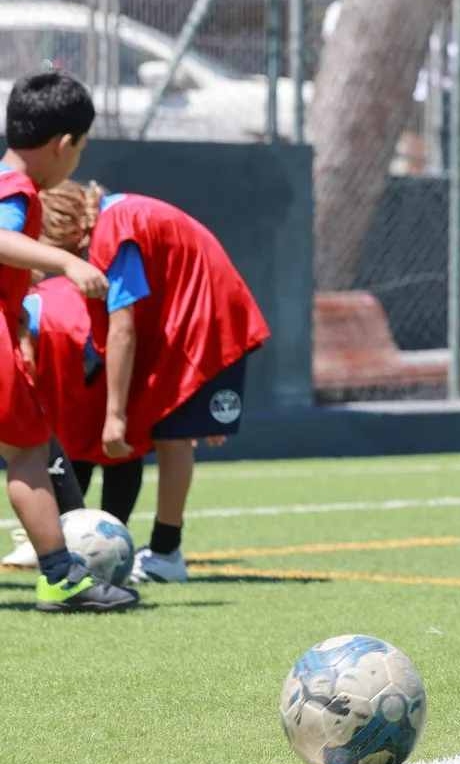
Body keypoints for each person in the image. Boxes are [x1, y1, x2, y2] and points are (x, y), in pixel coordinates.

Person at [38, 181, 270, 584]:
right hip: (190, 319)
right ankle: (161, 550)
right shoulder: (117, 217)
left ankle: (165, 552)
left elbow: (122, 329)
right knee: (172, 433)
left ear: (65, 231)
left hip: (202, 323)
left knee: (173, 437)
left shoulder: (113, 231)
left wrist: (114, 416)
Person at [0, 71, 137, 611]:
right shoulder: (15, 189)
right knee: (27, 451)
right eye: (80, 149)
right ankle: (61, 576)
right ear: (63, 144)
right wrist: (65, 262)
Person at [24, 275, 145, 525]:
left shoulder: (36, 300)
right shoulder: (117, 287)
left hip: (74, 413)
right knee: (116, 454)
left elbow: (26, 364)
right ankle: (75, 536)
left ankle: (61, 537)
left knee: (96, 453)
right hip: (90, 410)